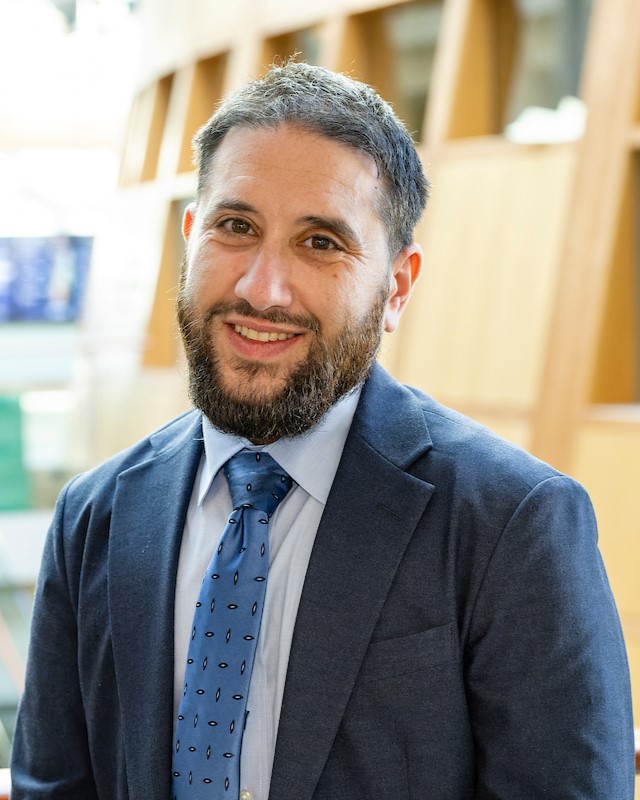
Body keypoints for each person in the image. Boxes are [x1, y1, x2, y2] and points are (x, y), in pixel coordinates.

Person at [10, 61, 635, 800]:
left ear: (396, 286)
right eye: (235, 226)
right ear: (190, 237)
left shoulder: (512, 523)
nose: (260, 288)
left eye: (321, 243)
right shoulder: (96, 516)